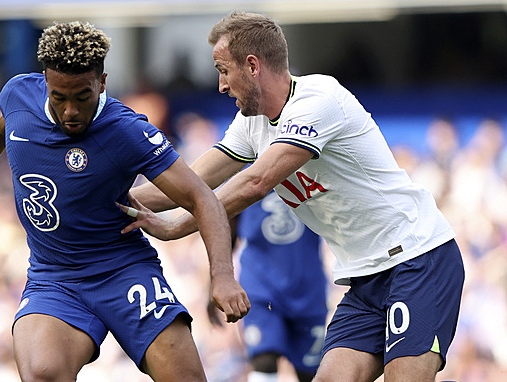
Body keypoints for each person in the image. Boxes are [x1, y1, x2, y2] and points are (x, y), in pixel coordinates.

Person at [122, 11, 465, 382]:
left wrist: (178, 227)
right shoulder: (252, 122)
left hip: (418, 259)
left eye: (224, 70)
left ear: (252, 66)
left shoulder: (319, 100)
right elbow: (190, 182)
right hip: (366, 278)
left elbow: (256, 182)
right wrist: (112, 199)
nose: (220, 85)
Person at [0, 21, 249, 382]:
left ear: (101, 83)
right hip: (54, 277)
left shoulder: (127, 131)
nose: (70, 110)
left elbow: (201, 196)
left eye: (82, 97)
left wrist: (222, 275)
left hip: (124, 270)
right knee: (42, 374)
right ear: (44, 82)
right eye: (59, 97)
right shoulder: (18, 97)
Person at [207, 190, 328, 382]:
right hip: (260, 285)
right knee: (264, 360)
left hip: (308, 287)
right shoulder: (241, 168)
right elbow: (227, 225)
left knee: (311, 373)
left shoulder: (314, 165)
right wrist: (215, 281)